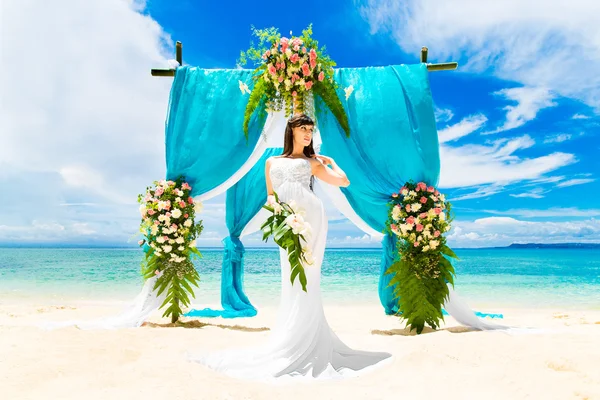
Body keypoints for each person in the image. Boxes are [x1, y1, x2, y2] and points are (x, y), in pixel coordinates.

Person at [188, 114, 392, 382]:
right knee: (291, 277)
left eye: (310, 129)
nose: (308, 133)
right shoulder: (271, 162)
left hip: (312, 222)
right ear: (291, 131)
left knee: (309, 275)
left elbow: (344, 182)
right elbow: (272, 197)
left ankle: (309, 336)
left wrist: (330, 162)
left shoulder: (313, 162)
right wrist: (280, 219)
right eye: (303, 129)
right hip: (286, 224)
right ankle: (292, 333)